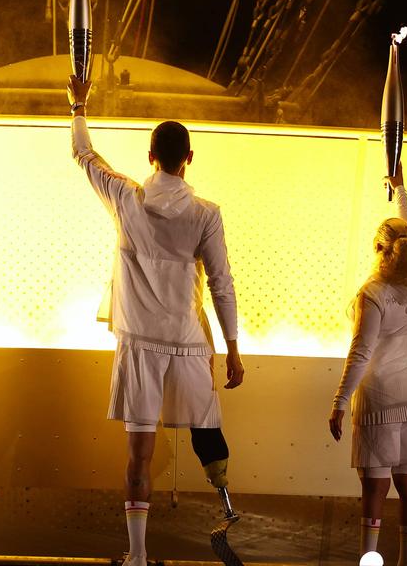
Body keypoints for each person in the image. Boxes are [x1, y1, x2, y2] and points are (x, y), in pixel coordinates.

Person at [67, 76, 244, 566]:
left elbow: (85, 155)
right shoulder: (206, 214)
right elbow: (222, 283)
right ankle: (226, 503)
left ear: (150, 157)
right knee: (206, 432)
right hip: (188, 344)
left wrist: (79, 105)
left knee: (139, 457)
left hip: (140, 345)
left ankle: (138, 556)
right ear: (189, 158)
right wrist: (231, 348)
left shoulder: (126, 198)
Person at [330, 163, 407, 566]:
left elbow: (361, 351)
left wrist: (340, 401)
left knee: (374, 490)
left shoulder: (372, 293)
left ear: (377, 249)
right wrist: (401, 187)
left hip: (381, 401)